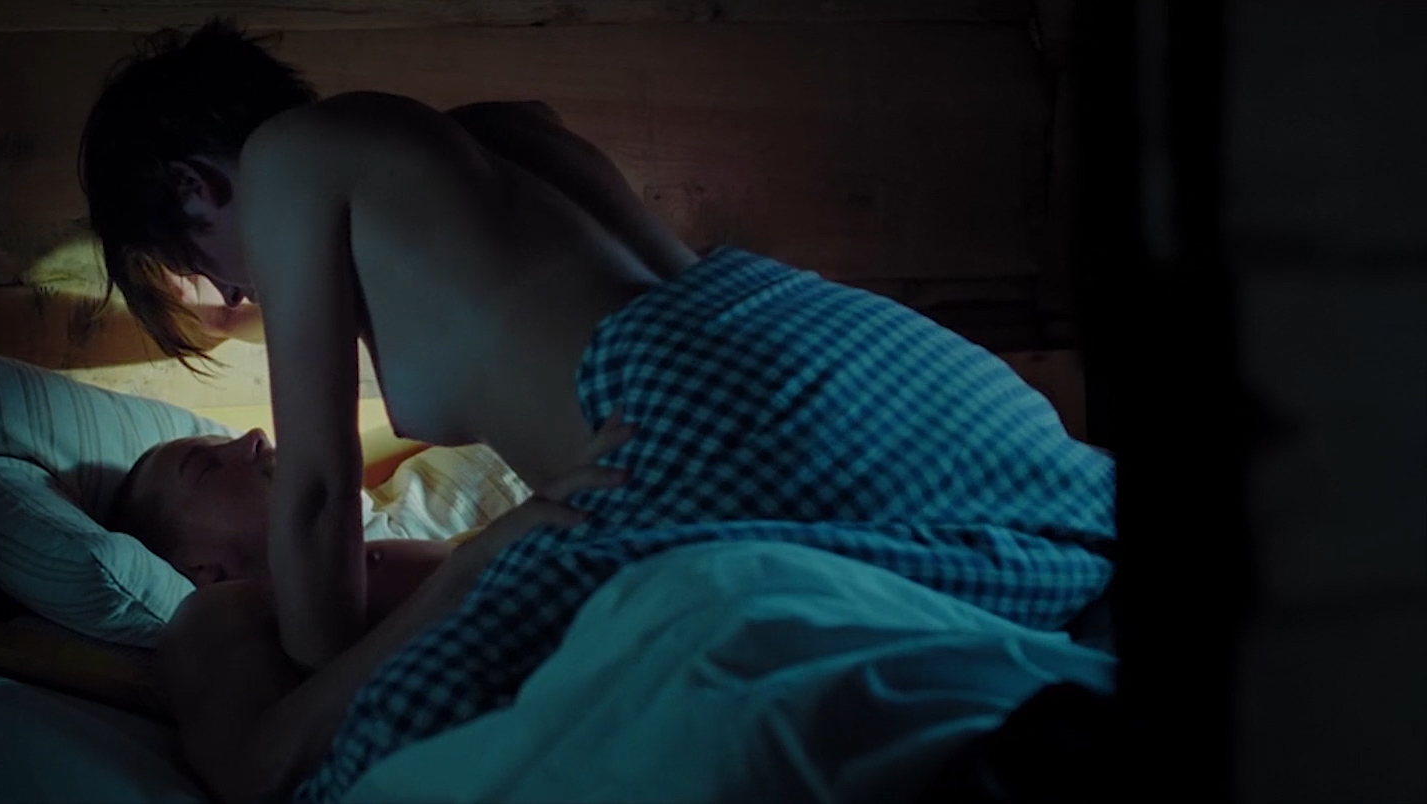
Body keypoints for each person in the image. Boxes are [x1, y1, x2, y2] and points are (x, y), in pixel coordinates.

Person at [79, 17, 1117, 802]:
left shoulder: (288, 163)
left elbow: (317, 491)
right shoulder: (491, 139)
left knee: (400, 750)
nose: (247, 292)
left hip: (700, 407)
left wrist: (325, 676)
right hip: (889, 366)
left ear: (193, 188)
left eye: (218, 275)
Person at [108, 425, 634, 803]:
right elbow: (251, 771)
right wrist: (457, 581)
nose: (254, 436)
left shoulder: (380, 553)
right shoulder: (215, 610)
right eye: (208, 466)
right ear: (200, 567)